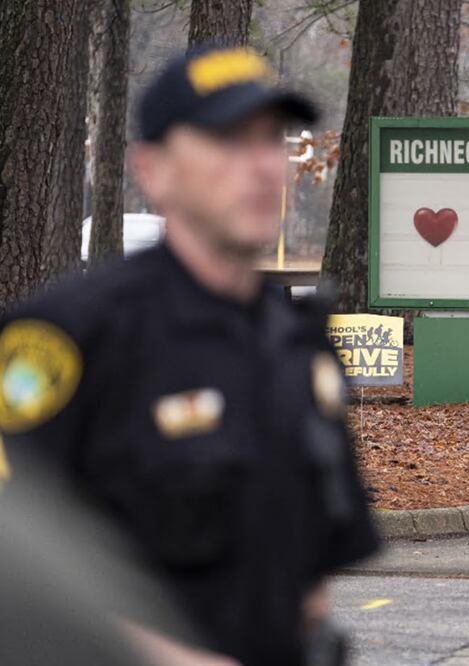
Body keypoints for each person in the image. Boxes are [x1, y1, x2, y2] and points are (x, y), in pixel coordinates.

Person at [0, 43, 380, 665]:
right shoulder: (67, 338)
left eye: (271, 141)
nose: (262, 167)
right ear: (154, 171)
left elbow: (311, 566)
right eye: (229, 142)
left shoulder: (298, 339)